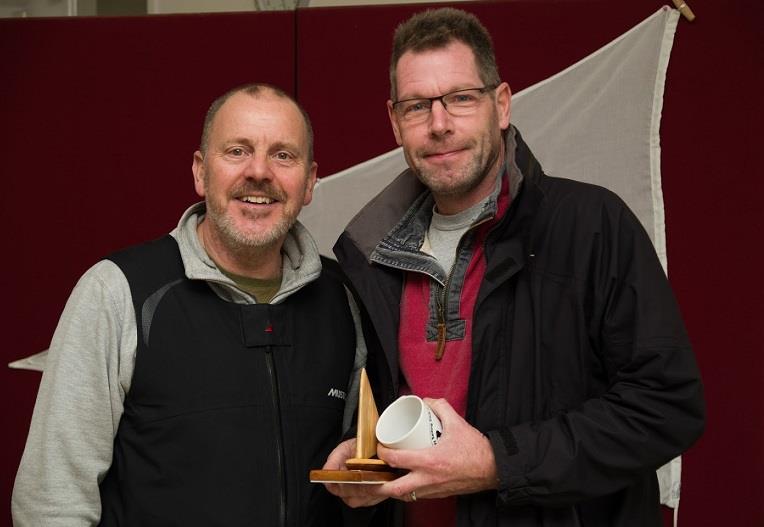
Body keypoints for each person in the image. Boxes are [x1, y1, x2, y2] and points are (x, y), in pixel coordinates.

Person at [322, 8, 705, 527]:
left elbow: (667, 407)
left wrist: (497, 462)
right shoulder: (366, 261)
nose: (439, 124)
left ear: (501, 105)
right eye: (417, 106)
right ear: (395, 122)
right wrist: (365, 455)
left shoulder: (591, 226)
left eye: (460, 98)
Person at [12, 83, 365, 526]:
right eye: (237, 151)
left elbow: (361, 461)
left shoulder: (344, 298)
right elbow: (51, 502)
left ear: (310, 181)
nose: (259, 172)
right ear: (200, 172)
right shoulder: (117, 292)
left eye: (283, 155)